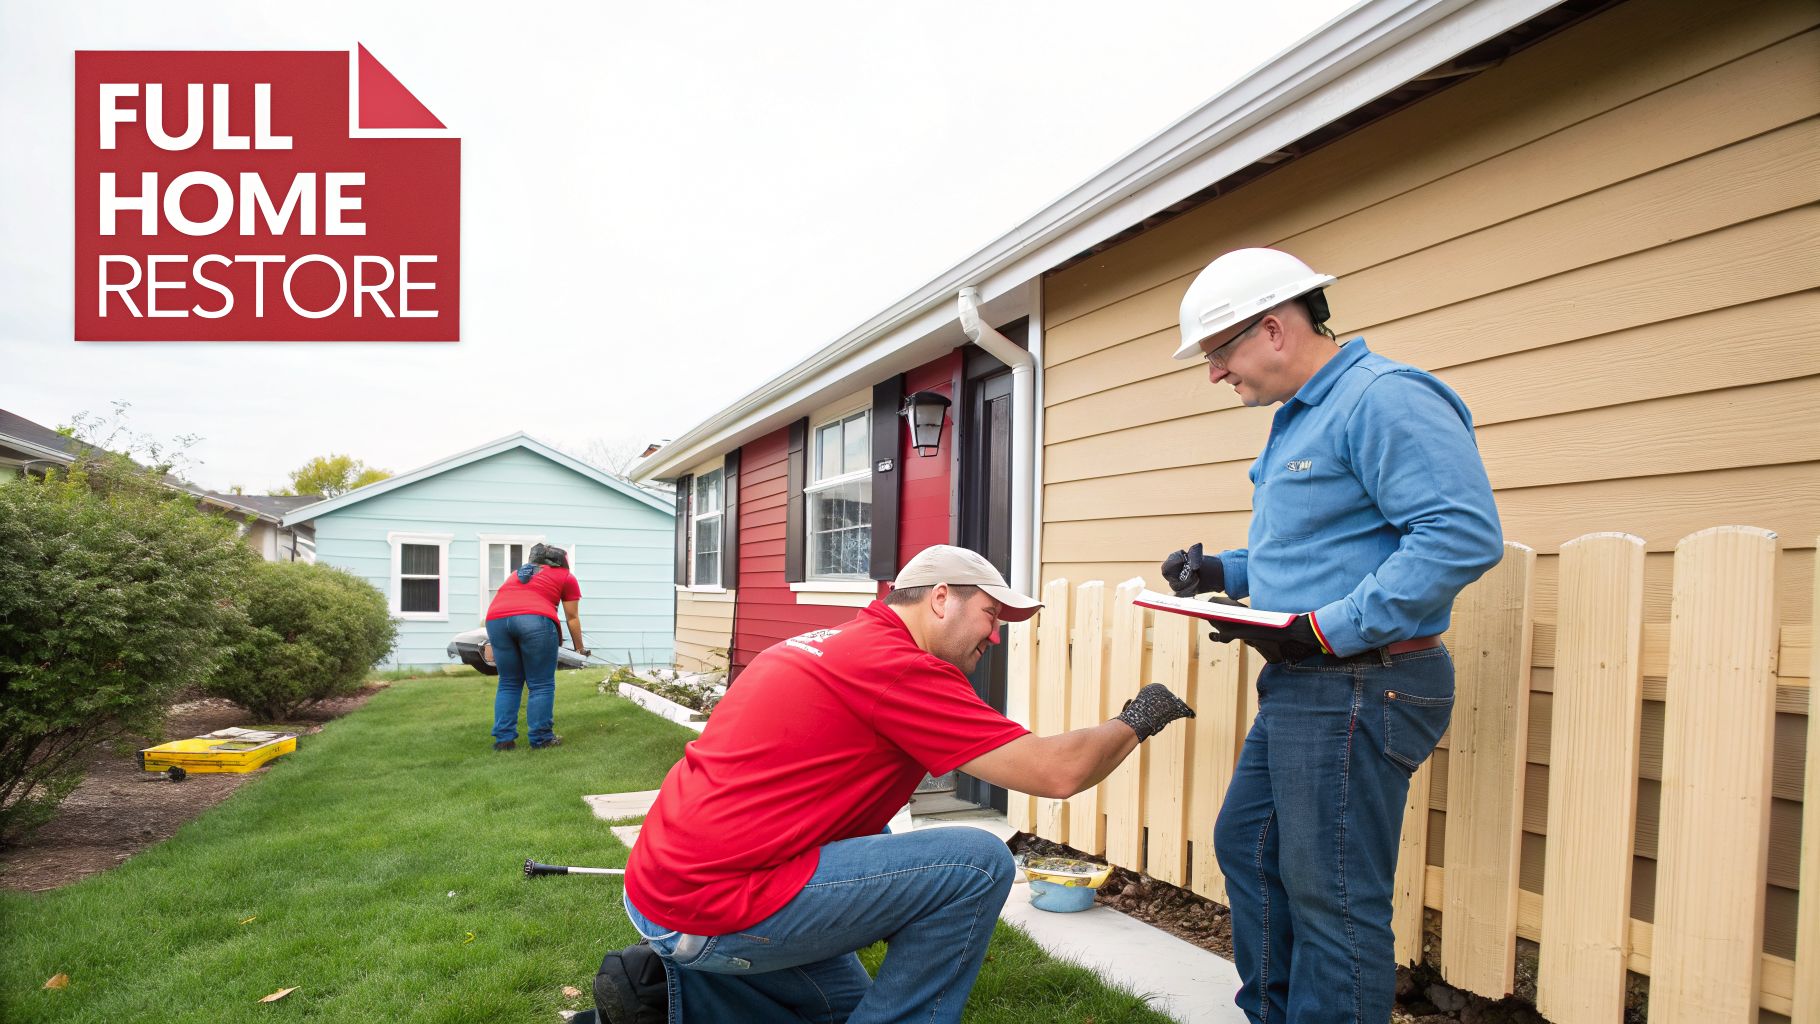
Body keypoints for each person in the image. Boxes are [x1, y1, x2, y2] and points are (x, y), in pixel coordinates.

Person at [583, 544, 1195, 1024]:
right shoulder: (898, 667)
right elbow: (1056, 772)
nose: (996, 634)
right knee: (978, 863)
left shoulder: (826, 643)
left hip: (665, 894)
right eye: (991, 614)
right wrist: (1136, 719)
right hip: (715, 908)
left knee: (850, 1012)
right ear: (940, 599)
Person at [1160, 248, 1502, 1024]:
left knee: (1333, 897)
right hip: (1307, 682)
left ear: (1275, 329)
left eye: (1219, 353)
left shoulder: (1385, 399)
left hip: (1364, 679)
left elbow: (1460, 535)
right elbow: (1318, 548)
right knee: (1247, 848)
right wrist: (1225, 572)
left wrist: (1328, 629)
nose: (1216, 374)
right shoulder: (1299, 418)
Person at [485, 543, 586, 751]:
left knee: (509, 682)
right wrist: (579, 649)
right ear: (562, 561)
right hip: (534, 621)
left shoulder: (517, 573)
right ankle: (542, 739)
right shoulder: (566, 577)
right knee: (541, 684)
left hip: (496, 621)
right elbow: (572, 617)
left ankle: (503, 741)